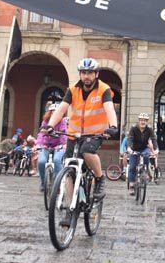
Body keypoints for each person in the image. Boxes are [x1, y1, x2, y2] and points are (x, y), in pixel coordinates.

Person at [45, 58, 118, 204]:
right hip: (74, 134)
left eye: (90, 73)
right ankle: (70, 208)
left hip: (95, 134)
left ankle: (99, 178)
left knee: (87, 151)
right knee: (69, 168)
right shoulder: (73, 90)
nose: (86, 76)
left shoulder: (104, 89)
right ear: (80, 74)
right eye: (84, 73)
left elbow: (109, 108)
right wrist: (49, 125)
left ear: (96, 74)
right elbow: (61, 110)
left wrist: (113, 126)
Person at [36, 103, 67, 192]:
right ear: (49, 112)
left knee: (57, 160)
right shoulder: (45, 121)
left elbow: (63, 134)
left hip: (59, 145)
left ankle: (58, 183)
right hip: (46, 145)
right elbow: (41, 134)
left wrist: (63, 144)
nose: (54, 114)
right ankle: (43, 182)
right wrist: (38, 144)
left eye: (56, 112)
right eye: (52, 112)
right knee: (41, 161)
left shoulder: (63, 121)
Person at [127, 112, 156, 194]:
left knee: (146, 155)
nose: (143, 122)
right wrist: (129, 148)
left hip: (144, 148)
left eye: (145, 120)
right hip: (134, 149)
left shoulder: (149, 129)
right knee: (132, 167)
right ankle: (132, 185)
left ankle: (145, 170)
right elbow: (130, 139)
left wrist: (156, 149)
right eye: (141, 120)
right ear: (139, 121)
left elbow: (153, 139)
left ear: (147, 122)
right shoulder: (133, 128)